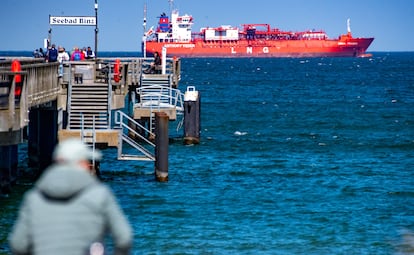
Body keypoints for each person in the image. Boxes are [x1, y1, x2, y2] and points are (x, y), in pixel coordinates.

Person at [9, 138, 133, 255]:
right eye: (85, 161)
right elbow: (124, 238)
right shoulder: (99, 194)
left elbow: (18, 244)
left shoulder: (34, 198)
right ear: (80, 163)